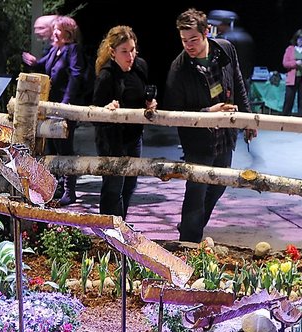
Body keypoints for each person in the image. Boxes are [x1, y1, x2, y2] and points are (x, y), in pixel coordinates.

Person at [164, 8, 256, 243]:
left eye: (193, 39)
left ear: (207, 32)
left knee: (218, 187)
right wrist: (207, 113)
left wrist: (248, 119)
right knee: (196, 192)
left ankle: (189, 227)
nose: (189, 45)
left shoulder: (225, 49)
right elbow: (172, 112)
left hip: (225, 136)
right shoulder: (179, 67)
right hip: (197, 141)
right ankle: (188, 242)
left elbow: (238, 83)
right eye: (184, 40)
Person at [92, 26, 157, 218]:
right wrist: (107, 110)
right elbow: (94, 111)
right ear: (113, 52)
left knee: (130, 185)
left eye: (132, 50)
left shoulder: (140, 66)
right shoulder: (106, 75)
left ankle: (122, 226)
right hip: (111, 140)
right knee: (113, 188)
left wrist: (149, 102)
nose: (130, 56)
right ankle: (108, 232)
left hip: (134, 136)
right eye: (124, 52)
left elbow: (145, 92)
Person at [22, 17, 85, 205]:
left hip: (64, 109)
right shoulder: (54, 50)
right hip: (51, 108)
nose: (54, 33)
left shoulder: (73, 50)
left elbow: (76, 75)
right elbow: (43, 66)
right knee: (52, 147)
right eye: (54, 29)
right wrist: (33, 62)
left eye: (58, 30)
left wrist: (64, 104)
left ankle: (69, 190)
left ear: (68, 33)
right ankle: (55, 186)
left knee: (65, 147)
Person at [282, 29, 302, 117]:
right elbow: (285, 63)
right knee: (289, 99)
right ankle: (284, 119)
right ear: (295, 39)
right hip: (292, 78)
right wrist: (295, 63)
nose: (301, 41)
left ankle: (300, 121)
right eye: (299, 39)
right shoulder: (290, 49)